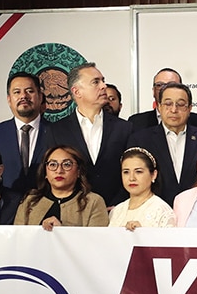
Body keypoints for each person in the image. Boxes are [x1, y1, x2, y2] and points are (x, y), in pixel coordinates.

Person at [40, 62, 132, 205]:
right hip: (73, 214)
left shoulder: (124, 128)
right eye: (96, 82)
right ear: (77, 92)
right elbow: (52, 176)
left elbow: (133, 171)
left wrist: (118, 205)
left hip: (117, 212)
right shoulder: (56, 130)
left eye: (103, 81)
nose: (103, 86)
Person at [126, 83, 197, 204]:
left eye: (180, 104)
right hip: (154, 212)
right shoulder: (140, 140)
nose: (174, 110)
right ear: (159, 107)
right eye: (168, 104)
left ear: (190, 108)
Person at [0, 72, 52, 192]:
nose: (23, 96)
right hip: (4, 206)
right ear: (9, 99)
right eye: (17, 92)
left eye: (29, 91)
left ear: (40, 96)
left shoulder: (58, 131)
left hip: (48, 204)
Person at [14, 145, 108, 229]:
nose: (59, 170)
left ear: (79, 171)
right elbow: (18, 240)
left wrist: (62, 231)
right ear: (45, 172)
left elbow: (96, 243)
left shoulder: (93, 202)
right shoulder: (30, 201)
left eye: (67, 164)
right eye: (53, 165)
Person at [109, 147, 174, 230]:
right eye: (126, 172)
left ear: (153, 174)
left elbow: (168, 242)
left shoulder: (162, 210)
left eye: (138, 172)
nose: (131, 178)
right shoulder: (116, 211)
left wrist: (143, 233)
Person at [127, 68, 197, 130]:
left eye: (171, 85)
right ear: (153, 91)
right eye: (159, 85)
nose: (164, 89)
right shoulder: (136, 122)